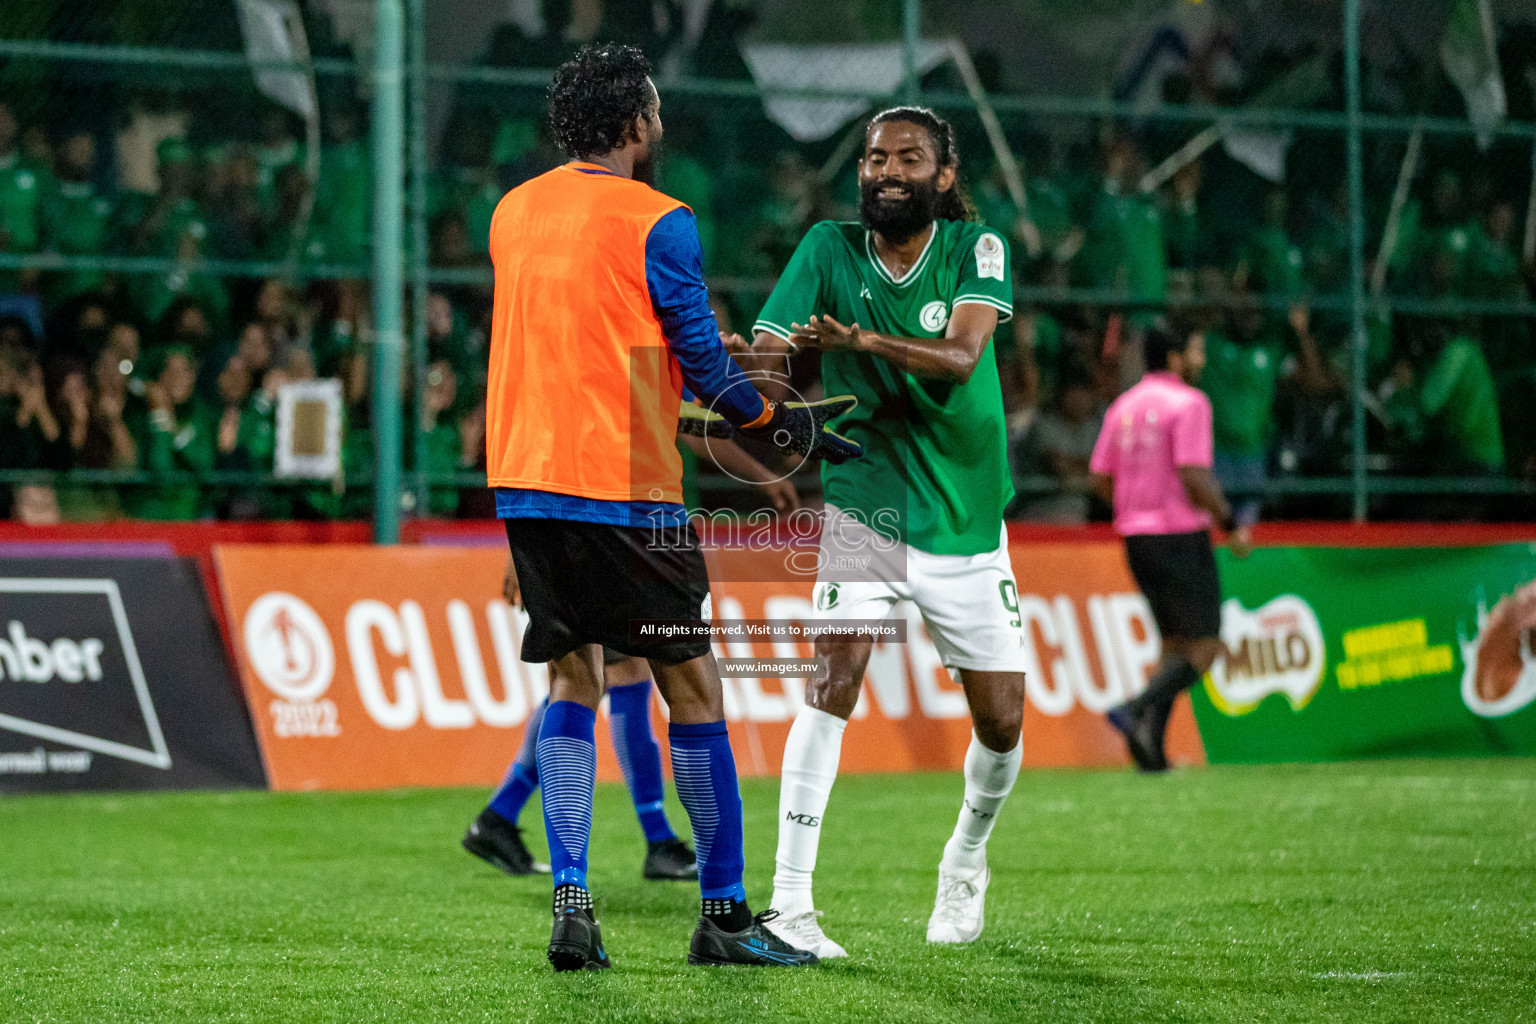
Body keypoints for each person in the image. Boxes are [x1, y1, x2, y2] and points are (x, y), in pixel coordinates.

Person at [485, 43, 855, 971]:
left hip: (527, 484)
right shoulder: (663, 220)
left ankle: (573, 905)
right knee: (688, 684)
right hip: (628, 491)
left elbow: (592, 339)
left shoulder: (512, 213)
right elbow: (702, 363)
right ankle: (724, 917)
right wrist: (779, 424)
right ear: (633, 123)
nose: (660, 120)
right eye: (653, 107)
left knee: (571, 678)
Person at [745, 106, 1027, 955]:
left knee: (1005, 725)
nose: (886, 171)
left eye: (908, 158)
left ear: (943, 176)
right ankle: (789, 907)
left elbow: (961, 359)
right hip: (867, 499)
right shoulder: (826, 251)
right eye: (874, 158)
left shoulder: (977, 250)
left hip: (966, 516)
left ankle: (965, 859)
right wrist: (753, 373)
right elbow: (768, 352)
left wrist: (859, 339)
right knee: (831, 680)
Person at [461, 558, 701, 881]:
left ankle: (498, 817)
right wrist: (515, 552)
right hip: (584, 542)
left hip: (600, 538)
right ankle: (659, 840)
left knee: (590, 676)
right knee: (618, 670)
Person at [1088, 326, 1251, 773]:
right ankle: (1133, 708)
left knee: (1175, 645)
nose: (1201, 359)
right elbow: (1195, 477)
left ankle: (1151, 752)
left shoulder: (1123, 406)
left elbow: (1099, 478)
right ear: (1176, 357)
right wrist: (1231, 523)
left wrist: (1135, 504)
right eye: (1196, 350)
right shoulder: (1190, 404)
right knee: (1207, 648)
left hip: (1136, 538)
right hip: (1180, 535)